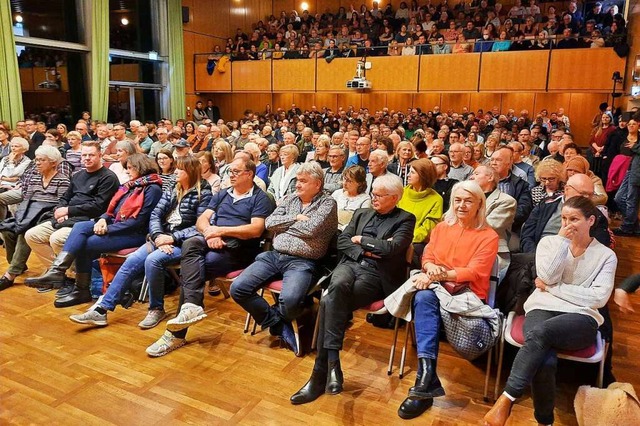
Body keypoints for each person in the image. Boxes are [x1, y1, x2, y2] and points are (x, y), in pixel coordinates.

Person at [484, 196, 617, 426]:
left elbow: (598, 298)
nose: (567, 224)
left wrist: (553, 289)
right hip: (542, 307)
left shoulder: (606, 256)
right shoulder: (549, 244)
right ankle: (544, 421)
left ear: (591, 220)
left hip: (582, 317)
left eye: (574, 219)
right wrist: (562, 244)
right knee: (543, 359)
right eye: (564, 218)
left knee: (541, 334)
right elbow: (547, 277)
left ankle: (507, 398)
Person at [290, 174, 415, 405]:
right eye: (373, 193)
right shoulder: (362, 213)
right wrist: (365, 249)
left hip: (376, 276)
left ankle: (320, 373)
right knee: (336, 286)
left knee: (329, 300)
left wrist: (362, 241)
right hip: (349, 265)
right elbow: (342, 241)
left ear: (395, 198)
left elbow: (392, 248)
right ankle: (332, 365)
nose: (373, 198)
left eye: (379, 195)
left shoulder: (406, 219)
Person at [146, 156, 274, 357]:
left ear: (249, 174)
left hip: (239, 249)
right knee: (191, 243)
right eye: (229, 171)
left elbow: (256, 230)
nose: (230, 175)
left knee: (196, 269)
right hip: (213, 241)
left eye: (236, 172)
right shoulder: (223, 194)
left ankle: (178, 331)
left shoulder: (260, 198)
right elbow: (202, 220)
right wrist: (209, 233)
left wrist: (219, 231)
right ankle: (191, 308)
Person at [68, 156, 212, 328]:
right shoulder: (174, 187)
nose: (175, 173)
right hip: (161, 238)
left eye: (179, 170)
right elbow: (156, 214)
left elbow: (200, 226)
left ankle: (156, 308)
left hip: (185, 242)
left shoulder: (204, 193)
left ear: (190, 171)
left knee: (153, 260)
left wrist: (173, 238)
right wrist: (159, 236)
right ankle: (102, 310)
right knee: (132, 260)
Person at [396, 181, 499, 419]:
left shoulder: (488, 236)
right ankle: (426, 376)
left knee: (423, 296)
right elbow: (428, 255)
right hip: (436, 287)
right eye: (457, 200)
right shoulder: (442, 227)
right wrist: (430, 268)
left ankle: (425, 380)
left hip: (466, 293)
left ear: (479, 204)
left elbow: (474, 272)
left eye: (468, 201)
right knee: (423, 296)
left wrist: (436, 274)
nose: (462, 205)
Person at [26, 154, 163, 308]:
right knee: (80, 227)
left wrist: (107, 228)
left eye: (130, 168)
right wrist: (103, 219)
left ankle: (80, 289)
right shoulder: (130, 185)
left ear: (141, 167)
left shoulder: (153, 188)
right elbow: (111, 210)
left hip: (135, 234)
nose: (127, 172)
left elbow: (139, 222)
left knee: (85, 243)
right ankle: (58, 271)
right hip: (118, 227)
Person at [231, 162, 337, 354]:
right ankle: (277, 324)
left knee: (289, 301)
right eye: (297, 180)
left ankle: (281, 317)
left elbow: (311, 229)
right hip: (274, 255)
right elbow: (270, 223)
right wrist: (295, 218)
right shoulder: (290, 199)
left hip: (303, 261)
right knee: (238, 288)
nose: (297, 184)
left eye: (303, 181)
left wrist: (286, 225)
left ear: (318, 184)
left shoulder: (328, 203)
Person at [24, 141, 120, 295]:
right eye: (84, 155)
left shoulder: (108, 177)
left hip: (88, 221)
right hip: (68, 217)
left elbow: (99, 206)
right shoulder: (78, 175)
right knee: (32, 235)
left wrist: (68, 211)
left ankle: (72, 278)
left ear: (100, 155)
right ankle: (59, 277)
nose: (87, 158)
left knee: (57, 238)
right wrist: (60, 210)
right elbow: (65, 197)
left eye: (91, 155)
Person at [0, 146, 71, 290]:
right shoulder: (35, 178)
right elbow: (27, 200)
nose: (37, 163)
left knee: (25, 232)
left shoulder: (62, 180)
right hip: (31, 214)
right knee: (7, 229)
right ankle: (18, 264)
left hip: (49, 217)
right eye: (37, 159)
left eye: (42, 160)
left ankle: (10, 274)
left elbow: (61, 205)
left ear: (53, 162)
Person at [397, 159, 443, 265]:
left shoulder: (436, 199)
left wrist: (403, 240)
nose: (408, 175)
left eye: (412, 172)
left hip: (416, 241)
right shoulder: (402, 192)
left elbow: (427, 229)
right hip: (396, 236)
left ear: (423, 175)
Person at [332, 166, 371, 231]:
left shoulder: (365, 199)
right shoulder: (337, 193)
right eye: (344, 179)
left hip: (348, 232)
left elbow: (360, 221)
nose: (345, 183)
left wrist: (340, 229)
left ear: (359, 183)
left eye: (349, 181)